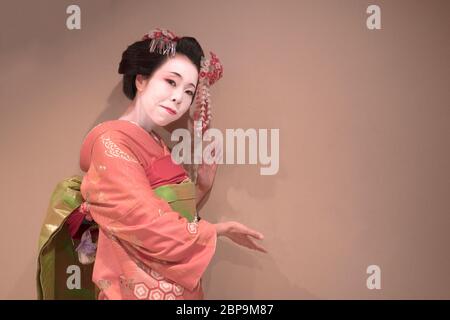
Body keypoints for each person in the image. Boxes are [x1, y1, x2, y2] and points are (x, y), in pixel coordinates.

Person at [37, 28, 266, 300]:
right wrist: (216, 230)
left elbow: (169, 212)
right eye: (171, 82)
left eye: (189, 91)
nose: (179, 97)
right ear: (142, 79)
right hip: (137, 289)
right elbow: (143, 220)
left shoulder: (157, 142)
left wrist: (201, 186)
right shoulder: (111, 142)